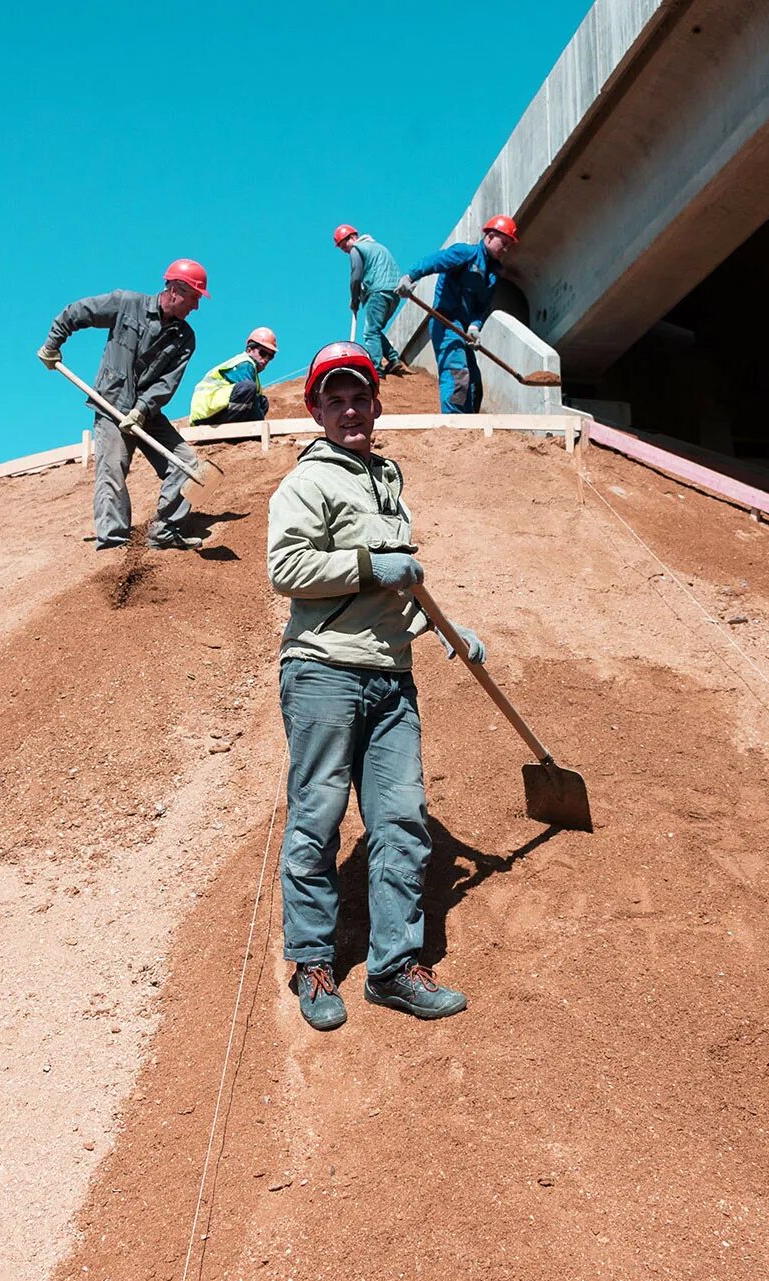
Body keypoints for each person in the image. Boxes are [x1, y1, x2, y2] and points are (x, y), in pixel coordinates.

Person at [265, 342, 487, 1030]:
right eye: (335, 400)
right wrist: (370, 564)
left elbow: (396, 587)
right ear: (318, 411)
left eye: (359, 396)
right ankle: (313, 961)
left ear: (375, 403)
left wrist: (450, 629)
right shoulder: (308, 482)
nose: (350, 409)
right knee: (318, 819)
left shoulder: (387, 480)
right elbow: (288, 568)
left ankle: (393, 968)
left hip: (392, 677)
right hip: (324, 671)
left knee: (401, 821)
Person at [38, 259, 206, 550]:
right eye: (194, 298)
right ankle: (114, 541)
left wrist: (141, 409)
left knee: (187, 464)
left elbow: (166, 383)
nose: (196, 307)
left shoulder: (185, 338)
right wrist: (53, 344)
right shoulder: (126, 303)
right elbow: (77, 312)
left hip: (147, 414)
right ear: (176, 290)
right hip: (111, 403)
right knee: (112, 470)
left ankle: (164, 531)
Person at [396, 214, 518, 414]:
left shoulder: (493, 276)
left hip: (462, 329)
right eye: (503, 243)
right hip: (446, 322)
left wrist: (475, 327)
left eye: (508, 246)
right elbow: (435, 261)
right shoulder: (465, 253)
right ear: (489, 237)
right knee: (457, 373)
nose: (505, 249)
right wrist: (410, 276)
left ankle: (469, 425)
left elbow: (482, 307)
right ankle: (454, 422)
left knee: (474, 385)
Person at [334, 224, 407, 375]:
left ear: (352, 237)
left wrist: (354, 298)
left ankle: (375, 368)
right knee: (375, 328)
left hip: (378, 292)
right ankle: (393, 360)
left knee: (370, 332)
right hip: (394, 293)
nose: (345, 250)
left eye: (344, 246)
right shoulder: (377, 247)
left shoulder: (357, 248)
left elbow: (356, 275)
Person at [188, 327, 277, 426]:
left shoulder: (252, 371)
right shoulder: (244, 364)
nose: (266, 359)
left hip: (216, 412)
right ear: (249, 350)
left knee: (262, 401)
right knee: (248, 388)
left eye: (270, 356)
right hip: (206, 416)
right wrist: (260, 426)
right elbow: (250, 396)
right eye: (263, 353)